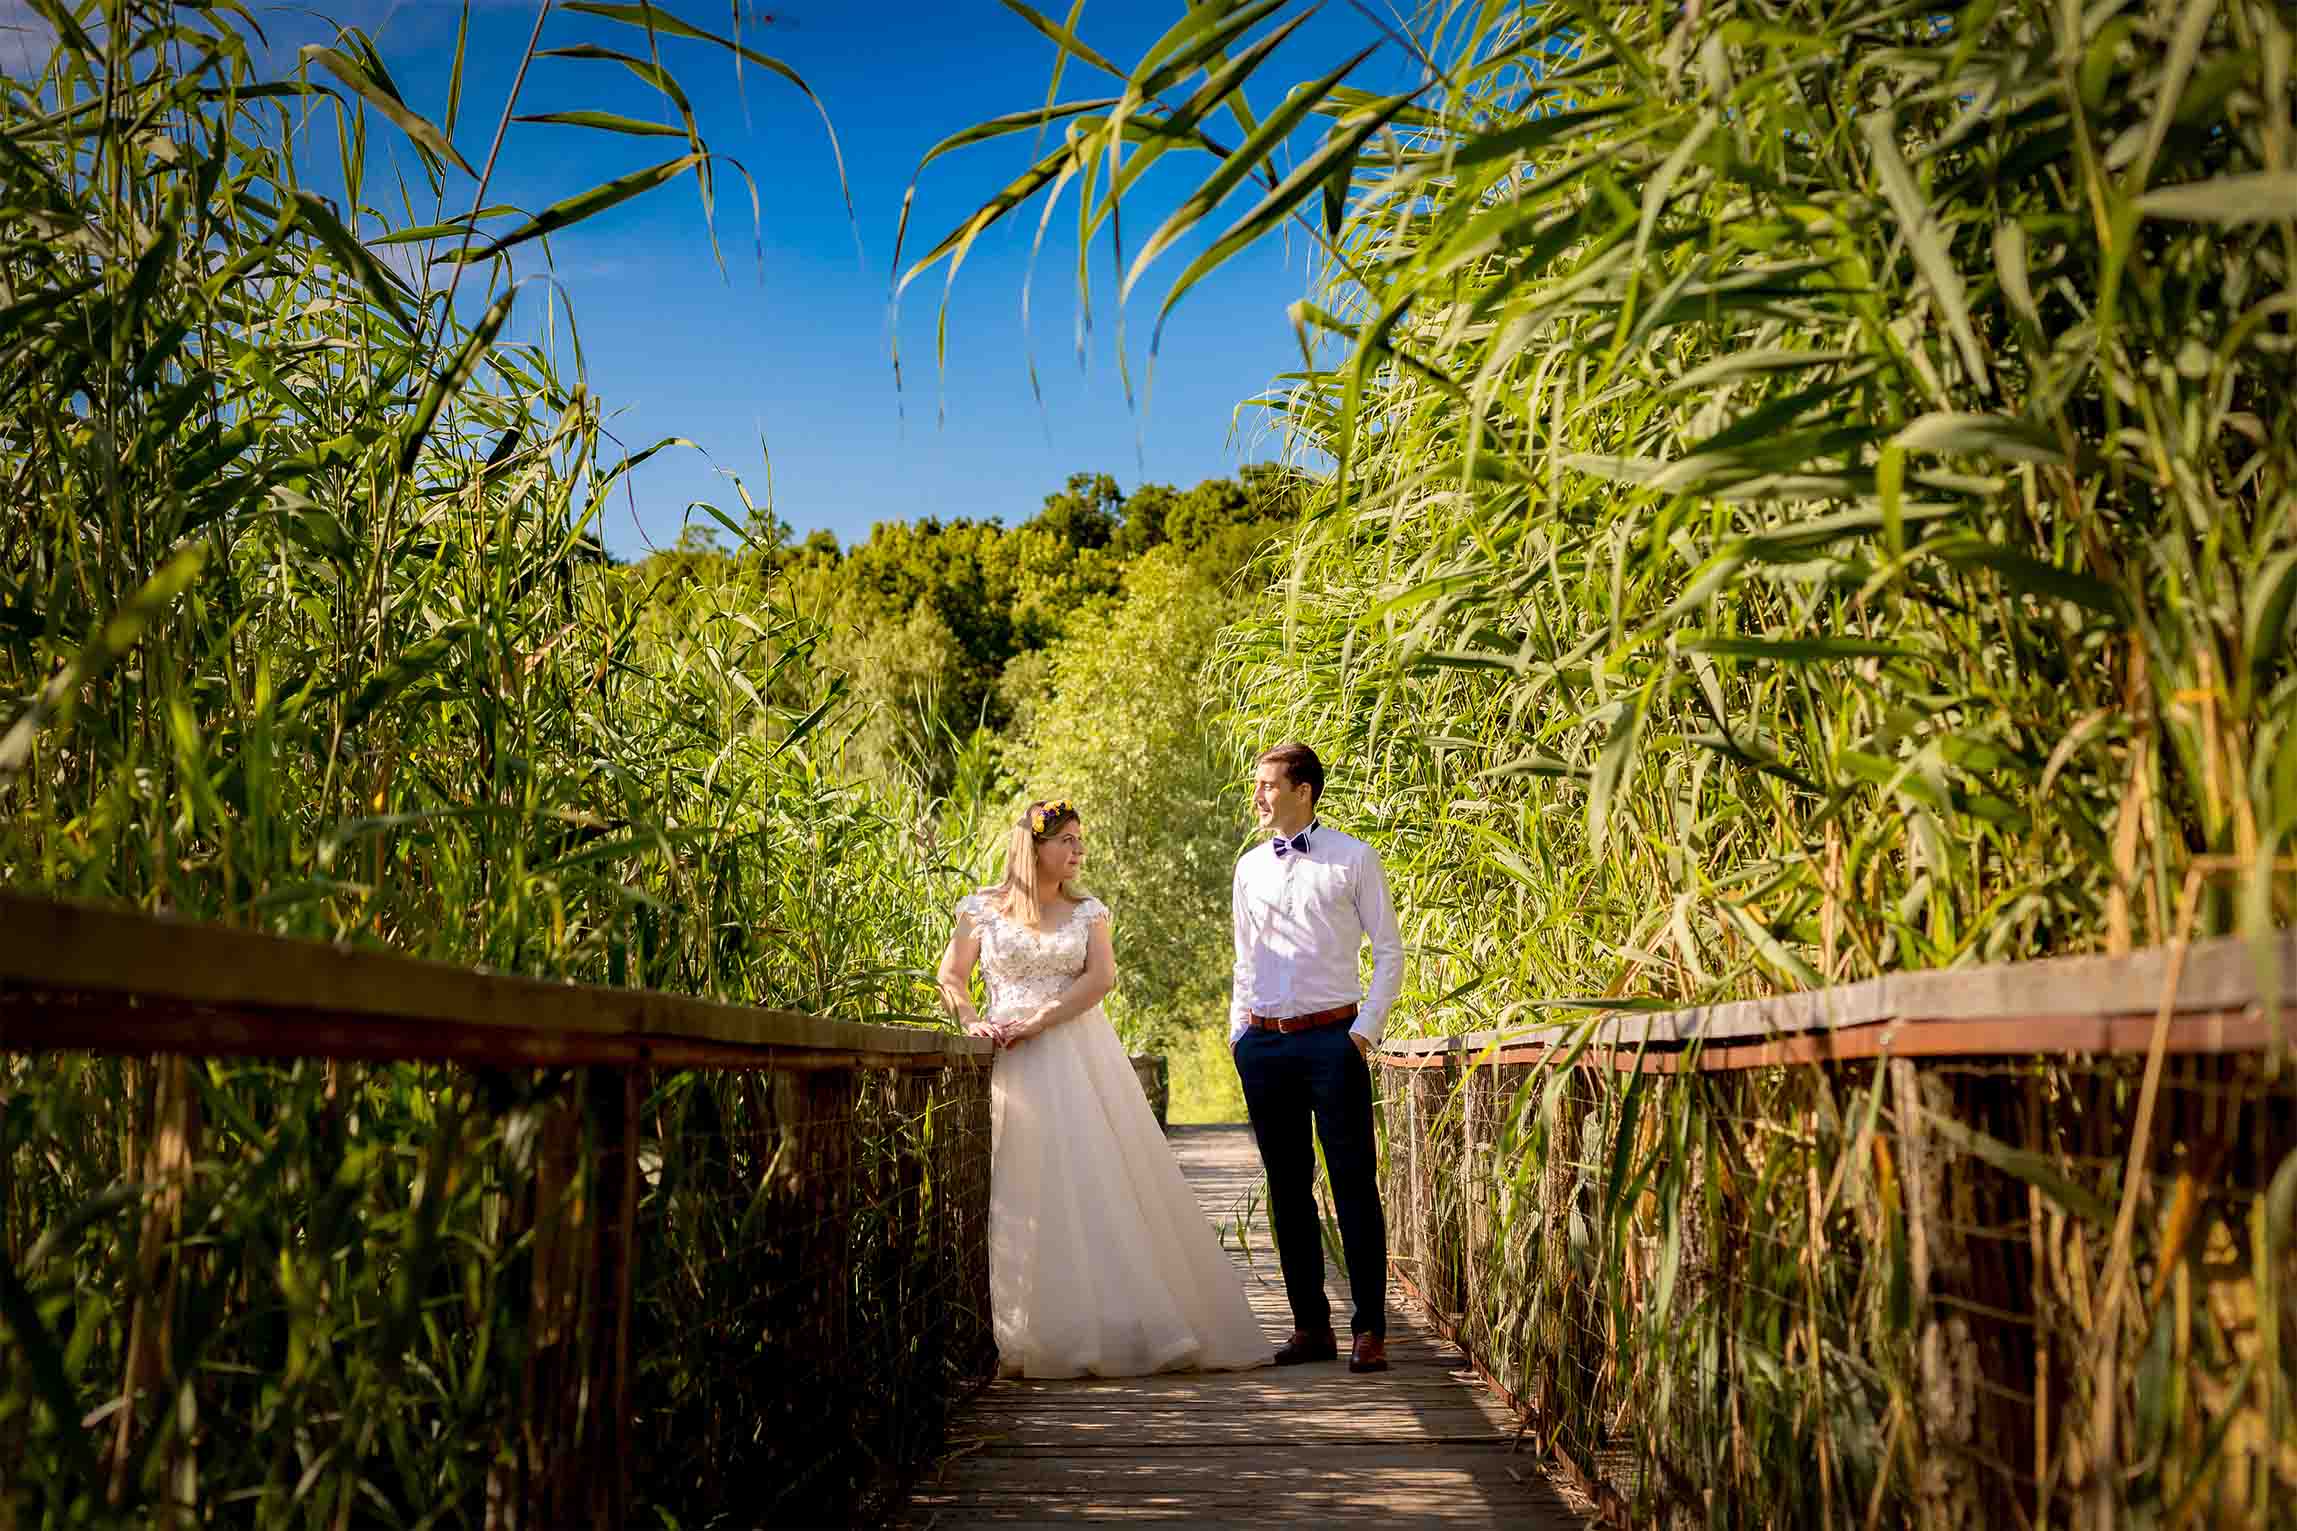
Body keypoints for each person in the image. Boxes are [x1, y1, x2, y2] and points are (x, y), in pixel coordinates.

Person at [938, 799, 1271, 1380]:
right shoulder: (981, 910)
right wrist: (971, 1020)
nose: (1077, 851)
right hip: (1010, 1062)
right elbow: (951, 975)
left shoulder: (1086, 911)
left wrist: (1040, 1019)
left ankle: (1121, 1319)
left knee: (1095, 1178)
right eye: (1065, 840)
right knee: (1027, 1188)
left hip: (1077, 1056)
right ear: (1033, 845)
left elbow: (1101, 979)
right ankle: (1037, 1334)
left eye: (1079, 841)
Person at [1229, 742, 1402, 1374]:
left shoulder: (1354, 858)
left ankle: (1369, 1329)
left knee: (1354, 1184)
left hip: (1335, 1041)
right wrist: (1238, 1035)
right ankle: (1310, 1327)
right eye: (1259, 784)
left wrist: (1363, 1032)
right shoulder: (1248, 867)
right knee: (1287, 1188)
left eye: (1269, 785)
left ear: (1303, 789)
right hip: (1265, 1043)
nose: (1259, 795)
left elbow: (1389, 951)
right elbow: (1244, 959)